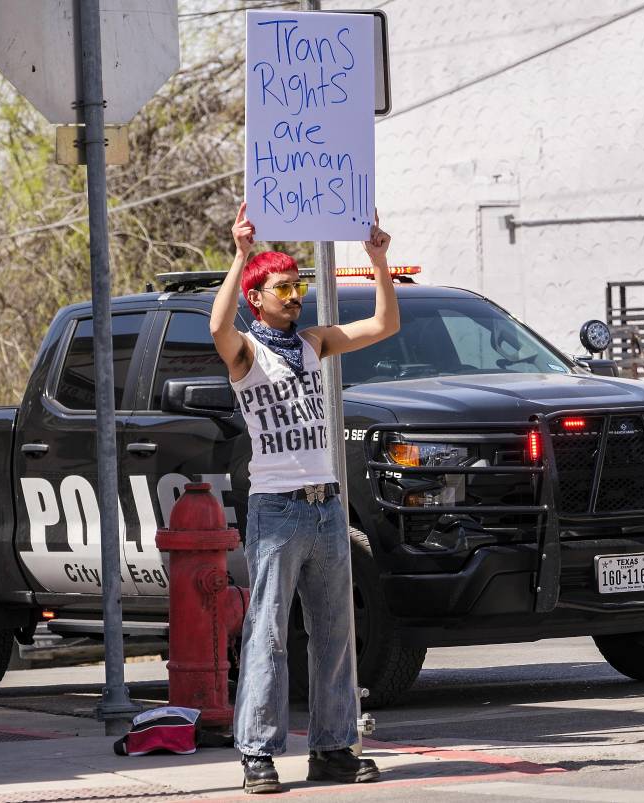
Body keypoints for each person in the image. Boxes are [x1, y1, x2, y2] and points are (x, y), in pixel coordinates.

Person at [211, 202, 398, 793]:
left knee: (335, 634)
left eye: (299, 287)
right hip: (277, 508)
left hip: (326, 507)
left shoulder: (313, 342)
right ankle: (258, 753)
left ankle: (334, 747)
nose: (295, 297)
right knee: (268, 634)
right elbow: (216, 328)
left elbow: (382, 325)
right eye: (283, 289)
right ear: (256, 297)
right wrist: (240, 253)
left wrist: (378, 261)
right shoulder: (247, 352)